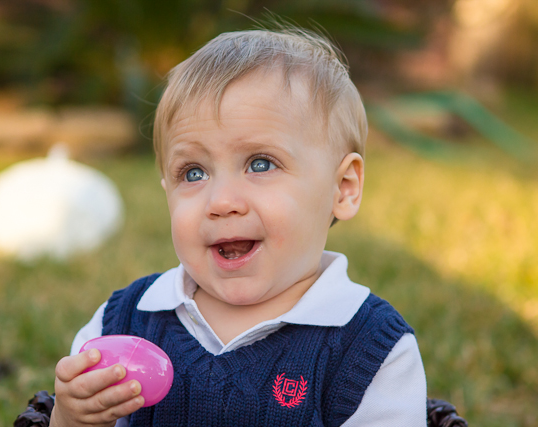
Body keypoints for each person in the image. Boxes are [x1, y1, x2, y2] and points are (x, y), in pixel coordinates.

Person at [48, 26, 426, 427]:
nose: (222, 201)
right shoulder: (123, 322)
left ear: (343, 188)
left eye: (260, 164)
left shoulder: (368, 349)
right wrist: (71, 418)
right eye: (193, 173)